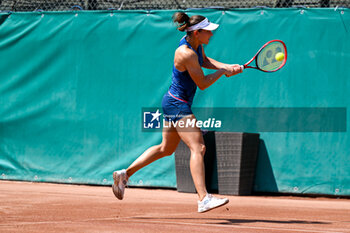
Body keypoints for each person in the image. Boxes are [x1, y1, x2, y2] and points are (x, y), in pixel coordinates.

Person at [112, 12, 242, 213]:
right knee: (198, 147)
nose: (212, 35)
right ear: (197, 32)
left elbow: (205, 61)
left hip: (173, 102)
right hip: (177, 104)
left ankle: (124, 174)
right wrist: (223, 72)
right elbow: (203, 83)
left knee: (166, 148)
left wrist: (226, 66)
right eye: (209, 32)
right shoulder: (185, 53)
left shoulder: (194, 44)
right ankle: (203, 198)